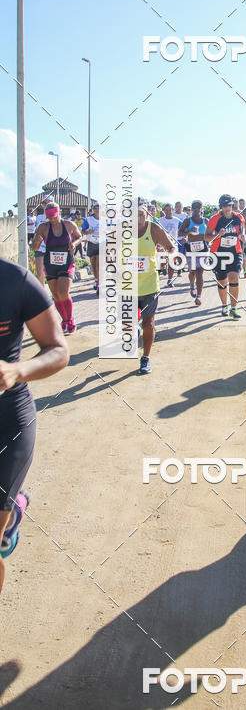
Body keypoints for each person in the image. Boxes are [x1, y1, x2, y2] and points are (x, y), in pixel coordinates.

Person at [0, 257, 69, 594]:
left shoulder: (15, 280)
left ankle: (7, 512)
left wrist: (17, 371)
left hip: (8, 421)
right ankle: (12, 511)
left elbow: (58, 350)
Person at [136, 203, 177, 374]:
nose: (137, 218)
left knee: (148, 323)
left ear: (146, 215)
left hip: (149, 285)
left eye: (140, 214)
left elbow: (171, 247)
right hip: (128, 285)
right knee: (127, 323)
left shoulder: (153, 229)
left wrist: (168, 254)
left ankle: (145, 358)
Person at [31, 202, 82, 335]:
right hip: (50, 263)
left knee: (63, 292)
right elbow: (35, 247)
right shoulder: (43, 227)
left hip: (66, 262)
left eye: (54, 216)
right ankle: (64, 320)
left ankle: (70, 319)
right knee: (55, 295)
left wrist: (74, 244)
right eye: (50, 217)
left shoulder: (69, 225)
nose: (52, 219)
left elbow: (79, 237)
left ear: (59, 212)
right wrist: (36, 242)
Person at [205, 195, 244, 319]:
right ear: (221, 207)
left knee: (234, 277)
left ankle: (234, 308)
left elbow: (242, 231)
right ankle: (224, 305)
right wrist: (217, 235)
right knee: (222, 281)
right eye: (224, 206)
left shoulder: (239, 218)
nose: (227, 208)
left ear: (232, 205)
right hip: (219, 253)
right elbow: (206, 237)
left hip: (235, 252)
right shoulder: (215, 219)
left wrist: (243, 236)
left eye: (229, 205)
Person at [178, 201, 208, 304]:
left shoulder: (205, 221)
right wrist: (189, 232)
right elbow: (180, 232)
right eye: (194, 207)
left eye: (198, 207)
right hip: (191, 249)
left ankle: (199, 296)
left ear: (201, 208)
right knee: (193, 272)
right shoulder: (187, 221)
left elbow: (212, 232)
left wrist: (208, 238)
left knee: (200, 272)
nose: (196, 209)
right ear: (191, 209)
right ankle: (192, 286)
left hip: (203, 249)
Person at [157, 204, 181, 287]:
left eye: (170, 210)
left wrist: (183, 238)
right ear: (164, 211)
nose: (168, 212)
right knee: (163, 261)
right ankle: (163, 267)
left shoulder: (177, 221)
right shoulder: (159, 221)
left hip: (173, 244)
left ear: (172, 210)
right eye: (166, 210)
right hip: (162, 244)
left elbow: (182, 230)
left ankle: (170, 280)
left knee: (172, 262)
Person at [82, 204, 101, 291]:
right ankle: (96, 279)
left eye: (99, 208)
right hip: (91, 243)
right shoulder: (88, 219)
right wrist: (87, 232)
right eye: (95, 208)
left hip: (101, 243)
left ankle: (99, 282)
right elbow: (82, 231)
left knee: (98, 263)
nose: (97, 210)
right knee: (93, 263)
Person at [33, 205, 47, 286]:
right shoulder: (38, 218)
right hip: (40, 249)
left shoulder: (58, 220)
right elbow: (36, 233)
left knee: (52, 275)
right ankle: (42, 291)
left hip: (52, 249)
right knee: (40, 274)